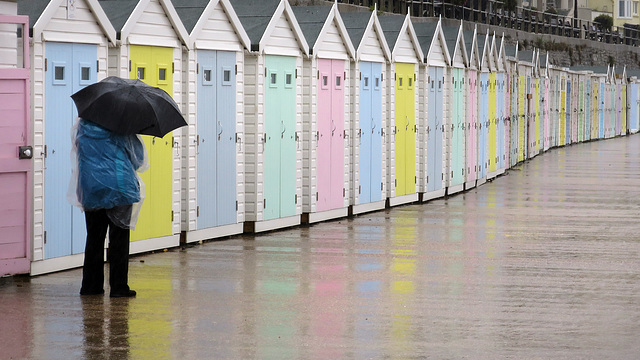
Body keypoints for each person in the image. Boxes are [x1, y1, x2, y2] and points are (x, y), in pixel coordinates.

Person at [69, 118, 148, 297]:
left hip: (91, 188)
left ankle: (91, 286)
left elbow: (77, 151)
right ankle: (119, 287)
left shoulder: (82, 127)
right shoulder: (123, 127)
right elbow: (138, 159)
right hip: (120, 188)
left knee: (94, 238)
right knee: (119, 239)